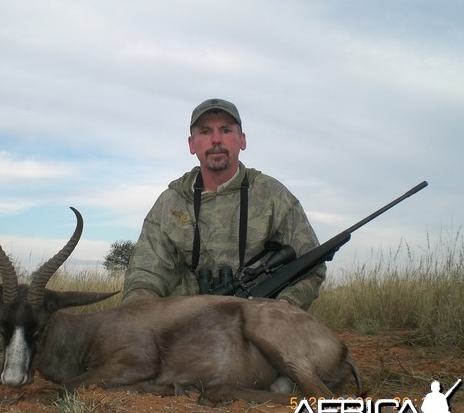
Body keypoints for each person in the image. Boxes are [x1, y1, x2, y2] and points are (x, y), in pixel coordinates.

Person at [122, 98, 325, 310]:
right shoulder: (170, 203)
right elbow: (145, 273)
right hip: (185, 325)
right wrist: (139, 313)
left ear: (242, 140)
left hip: (259, 321)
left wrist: (284, 306)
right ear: (192, 144)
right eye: (205, 131)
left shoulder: (273, 196)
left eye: (226, 130)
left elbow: (310, 262)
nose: (216, 139)